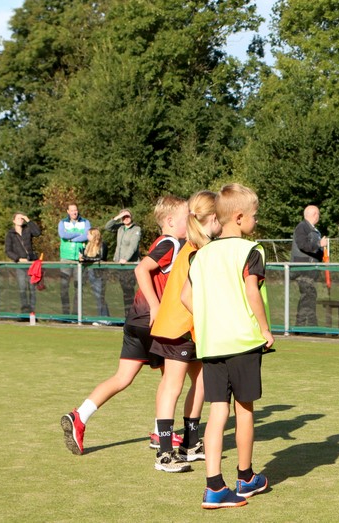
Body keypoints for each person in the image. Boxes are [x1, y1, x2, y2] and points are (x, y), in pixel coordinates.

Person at [60, 195, 188, 457]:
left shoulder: (162, 242)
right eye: (188, 217)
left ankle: (80, 416)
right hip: (153, 321)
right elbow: (141, 270)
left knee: (123, 378)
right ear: (170, 221)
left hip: (135, 320)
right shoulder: (171, 243)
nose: (191, 221)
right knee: (171, 377)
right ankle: (160, 431)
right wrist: (155, 305)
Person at [181, 183, 272, 508]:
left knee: (217, 411)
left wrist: (211, 319)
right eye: (254, 215)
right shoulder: (251, 250)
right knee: (244, 409)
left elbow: (186, 297)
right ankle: (245, 478)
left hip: (211, 344)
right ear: (239, 217)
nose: (256, 221)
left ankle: (214, 486)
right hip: (243, 341)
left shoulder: (200, 255)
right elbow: (251, 291)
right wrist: (265, 328)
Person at [150, 191, 221, 472]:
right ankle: (164, 453)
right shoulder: (195, 251)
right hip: (177, 327)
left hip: (191, 329)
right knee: (173, 386)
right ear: (213, 218)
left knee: (202, 382)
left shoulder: (199, 246)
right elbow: (187, 297)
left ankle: (190, 444)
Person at [291, 204, 328, 327]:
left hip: (310, 269)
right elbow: (303, 245)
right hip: (303, 269)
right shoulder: (302, 227)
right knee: (308, 296)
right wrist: (319, 244)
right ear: (314, 215)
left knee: (309, 296)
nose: (319, 216)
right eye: (318, 214)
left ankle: (308, 325)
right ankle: (304, 326)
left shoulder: (312, 229)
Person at [104, 208, 142, 316]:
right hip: (120, 266)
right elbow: (107, 227)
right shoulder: (120, 228)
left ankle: (132, 315)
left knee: (129, 291)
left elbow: (133, 246)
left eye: (127, 216)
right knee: (125, 291)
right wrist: (117, 217)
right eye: (123, 217)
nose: (126, 218)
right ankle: (127, 315)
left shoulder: (136, 229)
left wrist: (125, 258)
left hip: (129, 265)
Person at [58, 203, 91, 315]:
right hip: (65, 258)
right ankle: (65, 314)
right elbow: (63, 235)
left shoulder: (86, 222)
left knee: (79, 287)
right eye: (71, 210)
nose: (74, 212)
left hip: (80, 259)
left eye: (75, 210)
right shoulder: (62, 222)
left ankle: (76, 314)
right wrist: (78, 233)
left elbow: (86, 235)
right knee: (64, 287)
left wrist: (72, 238)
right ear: (68, 211)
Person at [4, 212, 41, 313]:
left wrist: (28, 220)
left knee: (32, 289)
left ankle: (32, 312)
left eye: (22, 218)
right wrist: (18, 259)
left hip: (31, 264)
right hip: (20, 265)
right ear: (13, 221)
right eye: (18, 218)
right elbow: (8, 251)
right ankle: (24, 312)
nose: (21, 220)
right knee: (22, 288)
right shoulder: (10, 234)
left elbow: (37, 233)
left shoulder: (27, 229)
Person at [79, 228, 109, 318]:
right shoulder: (88, 245)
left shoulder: (102, 244)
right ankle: (102, 317)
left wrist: (86, 259)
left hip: (99, 273)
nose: (87, 236)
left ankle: (104, 318)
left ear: (94, 235)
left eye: (89, 234)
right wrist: (81, 258)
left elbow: (101, 257)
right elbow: (85, 258)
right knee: (97, 296)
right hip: (91, 272)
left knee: (100, 296)